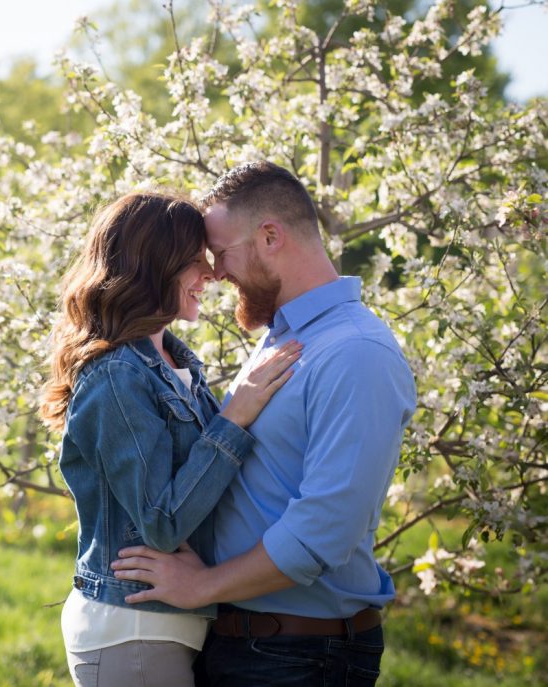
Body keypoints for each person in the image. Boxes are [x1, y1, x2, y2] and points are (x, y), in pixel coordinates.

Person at [110, 162, 417, 686]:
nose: (217, 272)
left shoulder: (355, 353)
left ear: (270, 237)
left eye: (222, 253)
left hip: (301, 657)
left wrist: (201, 586)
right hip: (249, 644)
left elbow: (324, 532)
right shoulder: (285, 336)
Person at [39, 190, 302, 687]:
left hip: (167, 628)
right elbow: (161, 520)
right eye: (193, 261)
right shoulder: (117, 375)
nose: (211, 273)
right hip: (133, 630)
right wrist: (235, 417)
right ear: (155, 266)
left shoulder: (177, 367)